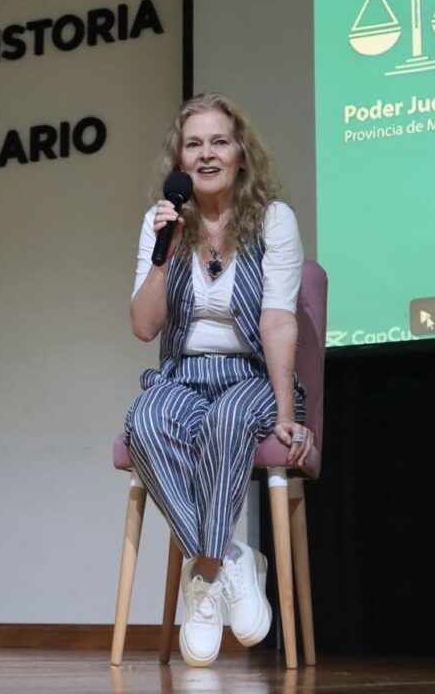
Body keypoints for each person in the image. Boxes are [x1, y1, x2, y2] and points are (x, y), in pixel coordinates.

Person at [126, 93, 309, 667]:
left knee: (229, 419)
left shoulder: (273, 220)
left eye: (219, 142)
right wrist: (164, 256)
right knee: (145, 421)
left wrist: (286, 412)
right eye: (194, 144)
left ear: (241, 154)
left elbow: (278, 319)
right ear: (179, 159)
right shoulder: (161, 224)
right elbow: (143, 326)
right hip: (183, 371)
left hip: (250, 372)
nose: (207, 154)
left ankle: (202, 581)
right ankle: (225, 562)